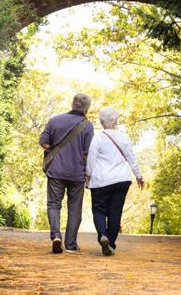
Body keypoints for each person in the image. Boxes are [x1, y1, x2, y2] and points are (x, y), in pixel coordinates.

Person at [39, 93, 94, 253]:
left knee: (54, 204)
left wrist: (55, 150)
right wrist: (88, 172)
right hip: (77, 173)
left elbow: (44, 142)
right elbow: (87, 154)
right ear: (87, 108)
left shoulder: (55, 120)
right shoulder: (87, 126)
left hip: (56, 170)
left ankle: (56, 235)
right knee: (74, 209)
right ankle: (71, 244)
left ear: (72, 104)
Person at [85, 107, 144, 256]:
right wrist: (139, 176)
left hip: (101, 181)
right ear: (116, 121)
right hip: (121, 180)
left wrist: (87, 175)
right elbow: (132, 159)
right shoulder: (124, 138)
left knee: (98, 210)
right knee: (115, 212)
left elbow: (91, 159)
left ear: (101, 121)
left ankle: (102, 235)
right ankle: (110, 243)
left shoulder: (97, 138)